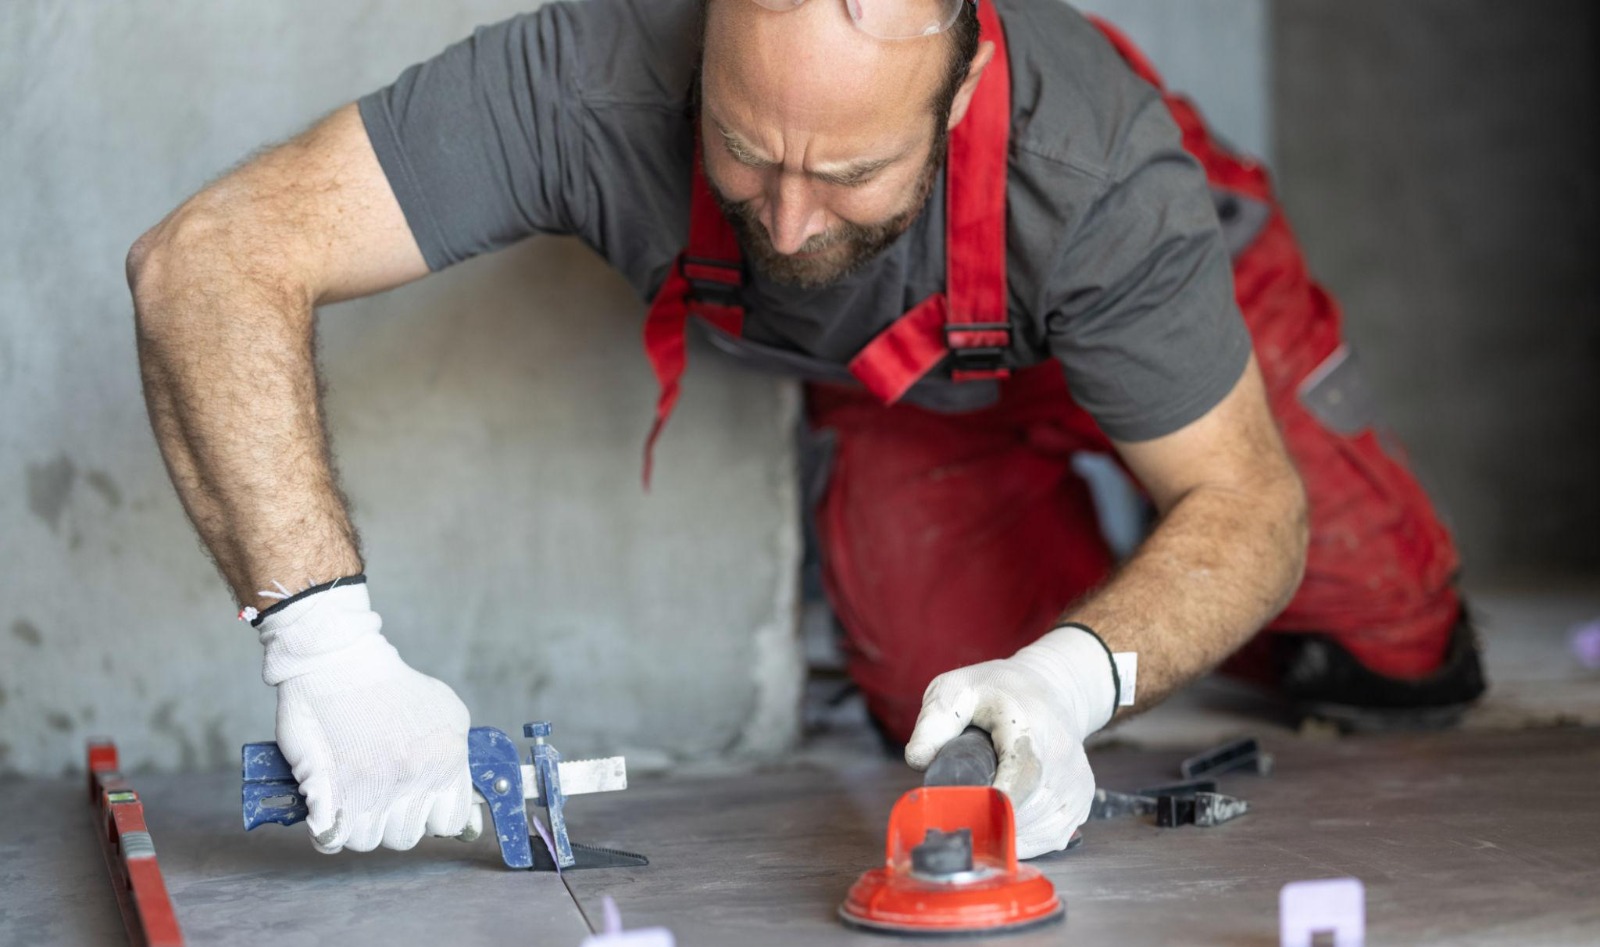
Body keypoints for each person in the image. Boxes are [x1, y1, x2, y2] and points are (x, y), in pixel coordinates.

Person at [126, 0, 1484, 860]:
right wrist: (327, 650)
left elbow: (1250, 504)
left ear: (955, 99)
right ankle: (1096, 594)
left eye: (846, 175)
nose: (780, 223)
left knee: (1384, 641)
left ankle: (1288, 620)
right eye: (740, 148)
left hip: (1169, 318)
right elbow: (207, 259)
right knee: (951, 717)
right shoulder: (589, 72)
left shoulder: (1099, 175)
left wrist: (1078, 676)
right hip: (922, 391)